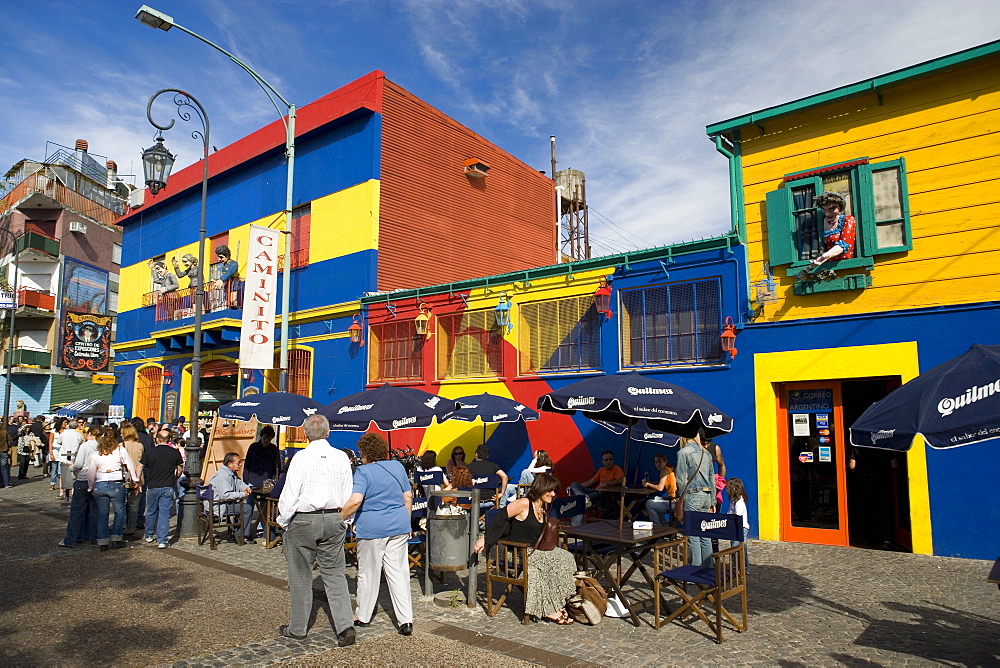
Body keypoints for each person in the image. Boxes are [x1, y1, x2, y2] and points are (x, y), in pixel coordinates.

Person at [276, 414, 356, 646]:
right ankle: (345, 627)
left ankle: (298, 628)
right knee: (335, 574)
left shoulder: (300, 458)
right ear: (328, 432)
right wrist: (344, 520)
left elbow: (291, 492)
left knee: (300, 576)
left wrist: (284, 519)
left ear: (305, 435)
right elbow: (347, 491)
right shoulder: (341, 457)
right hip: (333, 517)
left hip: (303, 518)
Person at [474, 472, 578, 624]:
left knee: (565, 557)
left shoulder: (543, 508)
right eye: (549, 490)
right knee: (544, 563)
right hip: (514, 552)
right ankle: (548, 609)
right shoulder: (523, 503)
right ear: (540, 488)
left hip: (533, 552)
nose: (553, 494)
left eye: (555, 491)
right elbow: (500, 518)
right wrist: (484, 538)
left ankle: (556, 602)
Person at [341, 433, 413, 636]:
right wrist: (405, 521)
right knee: (398, 573)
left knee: (369, 573)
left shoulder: (363, 472)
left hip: (372, 528)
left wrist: (341, 517)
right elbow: (407, 496)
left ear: (365, 453)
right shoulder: (398, 467)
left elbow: (356, 500)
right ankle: (405, 620)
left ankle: (363, 615)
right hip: (398, 526)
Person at [86, 427, 139, 550]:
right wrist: (134, 479)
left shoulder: (96, 454)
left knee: (102, 514)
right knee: (119, 511)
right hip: (116, 482)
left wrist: (90, 486)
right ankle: (116, 538)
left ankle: (102, 542)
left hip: (100, 483)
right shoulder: (120, 450)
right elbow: (129, 465)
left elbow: (91, 473)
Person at [674, 431, 715, 567]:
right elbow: (711, 479)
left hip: (692, 495)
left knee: (693, 535)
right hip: (706, 496)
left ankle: (695, 569)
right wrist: (713, 501)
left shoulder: (683, 453)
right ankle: (708, 568)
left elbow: (681, 479)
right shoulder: (706, 453)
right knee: (705, 534)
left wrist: (680, 498)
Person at [59, 426, 101, 548]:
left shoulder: (85, 446)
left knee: (77, 511)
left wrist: (72, 467)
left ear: (89, 434)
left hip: (83, 478)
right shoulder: (100, 446)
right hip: (97, 479)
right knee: (94, 510)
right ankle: (92, 536)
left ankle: (71, 539)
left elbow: (79, 464)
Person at [141, 429, 183, 549]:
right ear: (169, 440)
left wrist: (139, 481)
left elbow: (140, 466)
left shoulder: (150, 452)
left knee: (151, 511)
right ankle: (162, 540)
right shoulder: (175, 452)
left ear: (157, 439)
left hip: (153, 485)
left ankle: (149, 534)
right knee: (164, 513)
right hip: (167, 486)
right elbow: (180, 468)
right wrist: (175, 478)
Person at [208, 452, 255, 544]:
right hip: (220, 505)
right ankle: (241, 535)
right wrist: (242, 494)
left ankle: (238, 532)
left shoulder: (232, 473)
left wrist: (246, 488)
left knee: (243, 506)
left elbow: (239, 483)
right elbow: (225, 495)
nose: (240, 464)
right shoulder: (223, 476)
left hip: (227, 503)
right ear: (230, 464)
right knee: (247, 508)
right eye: (238, 462)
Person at [568, 450, 625, 525]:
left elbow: (622, 480)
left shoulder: (616, 469)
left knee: (581, 501)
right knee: (574, 484)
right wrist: (576, 487)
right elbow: (591, 482)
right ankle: (582, 497)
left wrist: (608, 484)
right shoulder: (601, 470)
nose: (608, 462)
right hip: (594, 491)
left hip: (605, 495)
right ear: (602, 461)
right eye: (606, 460)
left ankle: (582, 498)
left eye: (610, 459)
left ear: (613, 460)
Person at [808, 191, 856, 268]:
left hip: (845, 265)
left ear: (840, 207)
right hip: (828, 267)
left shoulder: (848, 220)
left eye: (832, 208)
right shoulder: (821, 222)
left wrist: (824, 256)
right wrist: (821, 259)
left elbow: (842, 245)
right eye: (824, 209)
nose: (827, 213)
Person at [120, 423, 145, 537]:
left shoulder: (121, 445)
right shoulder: (139, 445)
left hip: (124, 477)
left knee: (121, 503)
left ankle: (121, 525)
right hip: (138, 477)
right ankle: (131, 526)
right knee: (134, 505)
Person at [726, 477, 750, 573]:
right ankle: (736, 567)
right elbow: (730, 512)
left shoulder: (739, 503)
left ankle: (744, 568)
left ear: (734, 489)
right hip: (735, 527)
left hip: (740, 528)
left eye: (728, 488)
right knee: (735, 547)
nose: (726, 490)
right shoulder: (733, 500)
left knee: (739, 548)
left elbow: (738, 517)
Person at [59, 420, 85, 501]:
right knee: (74, 476)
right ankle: (73, 493)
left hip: (65, 455)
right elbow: (82, 443)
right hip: (74, 455)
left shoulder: (63, 434)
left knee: (65, 475)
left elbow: (58, 442)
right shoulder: (78, 435)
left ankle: (66, 493)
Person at [0, 423, 12, 488]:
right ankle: (6, 483)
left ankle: (1, 483)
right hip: (3, 450)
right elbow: (10, 441)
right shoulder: (4, 432)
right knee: (4, 467)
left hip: (3, 450)